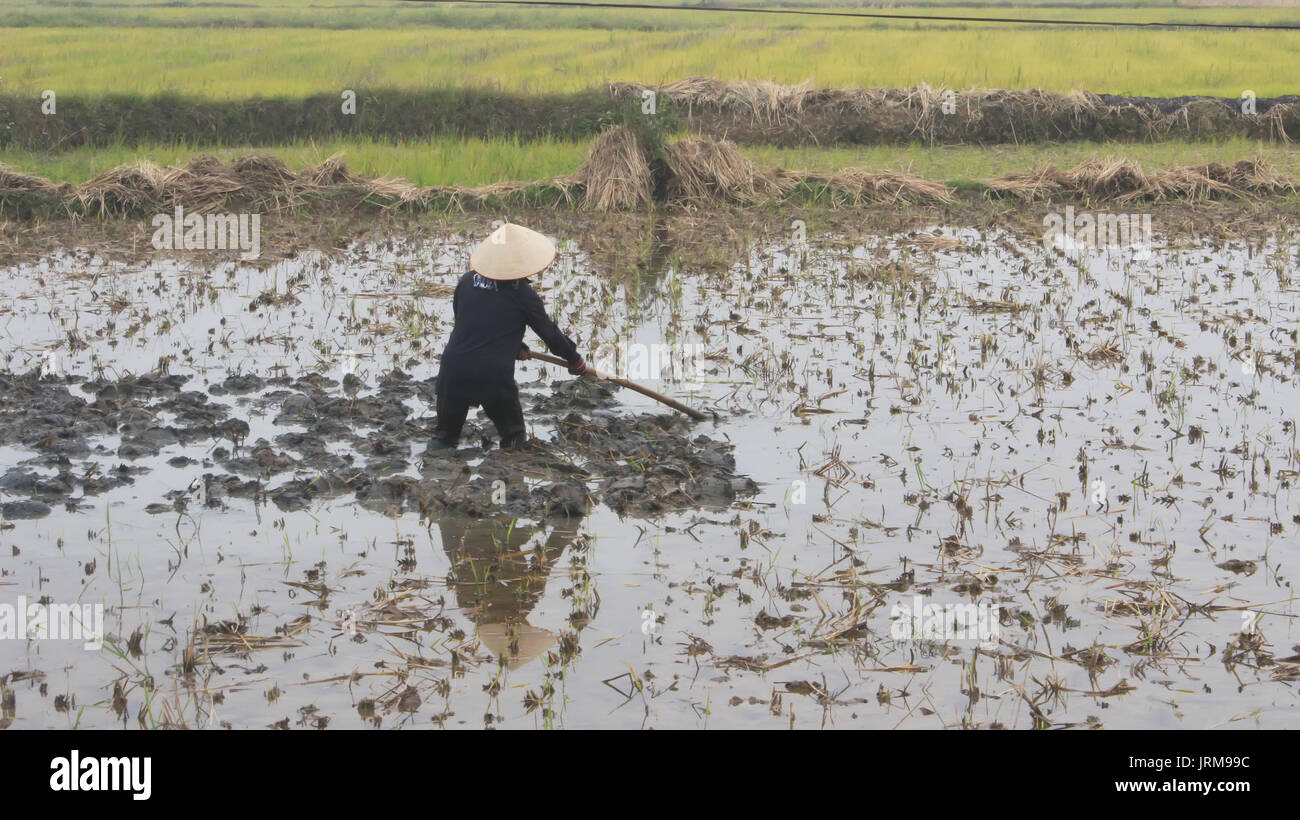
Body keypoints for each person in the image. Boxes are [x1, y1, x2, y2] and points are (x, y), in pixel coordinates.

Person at [427, 223, 590, 452]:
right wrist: (575, 360)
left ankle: (427, 480)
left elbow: (470, 325)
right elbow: (550, 334)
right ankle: (510, 478)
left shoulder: (466, 282)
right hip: (492, 376)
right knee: (513, 438)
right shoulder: (522, 294)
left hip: (453, 370)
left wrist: (514, 346)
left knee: (443, 439)